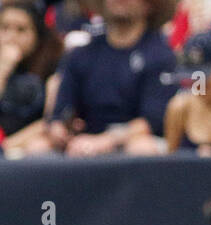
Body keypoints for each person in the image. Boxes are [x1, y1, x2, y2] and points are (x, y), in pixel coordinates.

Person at [35, 0, 175, 157]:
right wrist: (59, 129)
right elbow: (61, 111)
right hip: (84, 139)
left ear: (150, 5)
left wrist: (106, 140)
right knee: (38, 148)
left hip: (132, 141)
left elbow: (152, 121)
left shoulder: (161, 55)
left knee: (142, 148)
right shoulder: (81, 54)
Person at [0, 0, 61, 141]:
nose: (11, 36)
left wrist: (8, 147)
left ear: (37, 35)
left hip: (28, 146)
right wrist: (4, 67)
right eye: (4, 28)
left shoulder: (54, 64)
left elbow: (49, 121)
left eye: (21, 30)